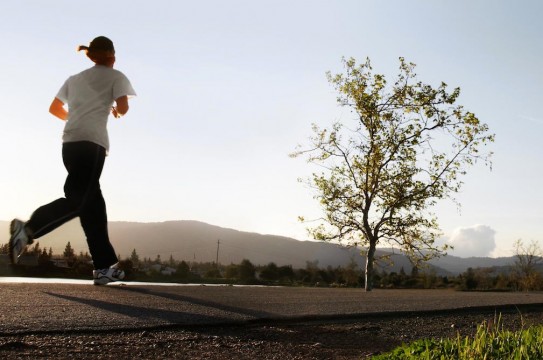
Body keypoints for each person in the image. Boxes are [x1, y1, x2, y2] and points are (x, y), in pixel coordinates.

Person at [8, 36, 136, 285]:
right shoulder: (116, 76)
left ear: (91, 56)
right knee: (79, 201)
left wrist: (76, 118)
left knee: (93, 206)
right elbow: (123, 107)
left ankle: (103, 268)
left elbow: (54, 108)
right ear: (112, 56)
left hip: (70, 144)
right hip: (92, 144)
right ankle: (28, 230)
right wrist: (116, 112)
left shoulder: (74, 79)